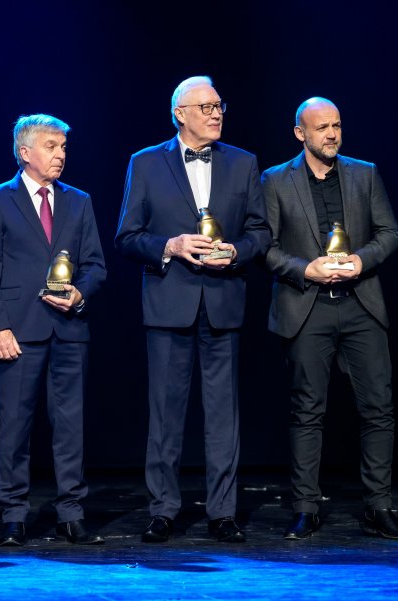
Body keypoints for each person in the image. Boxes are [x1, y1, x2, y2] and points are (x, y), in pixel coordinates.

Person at [115, 76, 270, 543]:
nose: (216, 113)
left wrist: (237, 253)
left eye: (219, 105)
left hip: (223, 302)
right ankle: (163, 509)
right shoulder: (145, 163)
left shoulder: (243, 163)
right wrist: (171, 244)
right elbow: (126, 237)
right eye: (205, 107)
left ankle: (223, 513)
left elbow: (260, 231)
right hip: (169, 302)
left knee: (224, 414)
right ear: (180, 114)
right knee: (165, 414)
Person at [261, 97, 398, 540]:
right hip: (307, 305)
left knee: (378, 408)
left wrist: (361, 262)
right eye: (322, 127)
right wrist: (304, 269)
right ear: (300, 134)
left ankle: (378, 506)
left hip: (360, 302)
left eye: (337, 125)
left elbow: (389, 233)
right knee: (307, 410)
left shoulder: (364, 173)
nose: (332, 134)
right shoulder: (274, 180)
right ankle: (306, 508)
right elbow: (265, 247)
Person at [0, 114, 107, 547]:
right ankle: (14, 515)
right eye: (51, 146)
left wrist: (79, 295)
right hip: (18, 332)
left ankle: (71, 514)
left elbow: (95, 266)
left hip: (69, 329)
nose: (61, 154)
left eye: (64, 146)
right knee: (15, 425)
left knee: (70, 425)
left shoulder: (79, 200)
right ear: (24, 152)